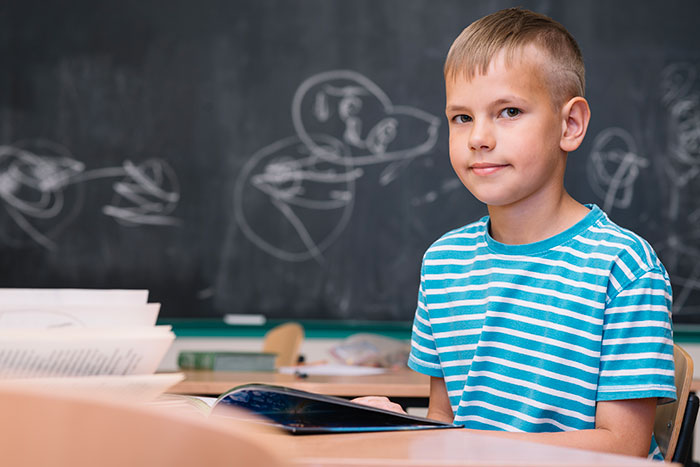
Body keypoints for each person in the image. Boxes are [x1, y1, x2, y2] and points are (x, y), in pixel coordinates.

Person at [353, 7, 676, 460]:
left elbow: (622, 448)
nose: (478, 138)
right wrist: (384, 427)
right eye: (461, 117)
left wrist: (456, 442)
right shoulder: (443, 263)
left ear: (570, 125)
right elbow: (445, 423)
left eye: (508, 111)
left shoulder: (622, 268)